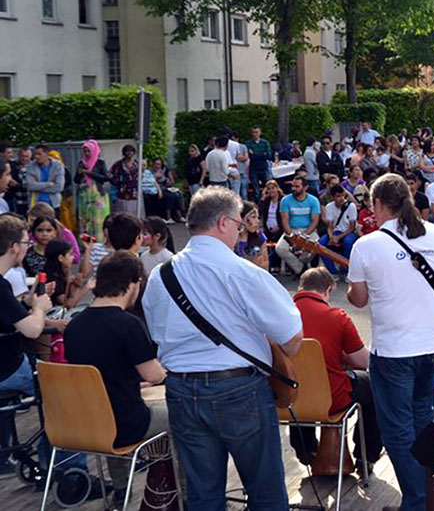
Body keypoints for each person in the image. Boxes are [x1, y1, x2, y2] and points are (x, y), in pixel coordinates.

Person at [143, 186, 304, 510]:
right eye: (238, 224)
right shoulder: (242, 271)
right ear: (222, 223)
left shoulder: (161, 275)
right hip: (239, 388)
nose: (239, 231)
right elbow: (292, 338)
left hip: (181, 388)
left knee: (202, 494)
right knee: (266, 492)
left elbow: (158, 334)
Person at [347, 173, 434, 511]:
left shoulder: (367, 245)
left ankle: (417, 501)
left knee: (397, 431)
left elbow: (357, 300)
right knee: (422, 419)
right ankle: (431, 495)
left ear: (377, 204)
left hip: (393, 353)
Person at [63, 250, 179, 502]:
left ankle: (120, 490)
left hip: (87, 422)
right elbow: (154, 374)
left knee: (114, 409)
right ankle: (186, 496)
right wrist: (165, 369)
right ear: (132, 284)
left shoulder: (74, 326)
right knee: (186, 415)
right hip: (126, 424)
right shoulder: (127, 324)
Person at [289, 267, 382, 470]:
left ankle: (306, 450)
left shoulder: (280, 312)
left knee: (300, 383)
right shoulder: (336, 316)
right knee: (374, 385)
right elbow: (362, 361)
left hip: (288, 400)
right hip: (332, 398)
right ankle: (366, 455)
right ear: (329, 290)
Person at [0, 215, 53, 475]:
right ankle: (61, 465)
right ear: (13, 247)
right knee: (65, 393)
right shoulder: (1, 285)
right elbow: (33, 330)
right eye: (25, 241)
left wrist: (29, 304)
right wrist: (40, 309)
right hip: (8, 369)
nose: (27, 246)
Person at [275, 174, 321, 276]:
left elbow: (314, 221)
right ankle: (300, 269)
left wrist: (304, 236)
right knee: (280, 249)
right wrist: (292, 236)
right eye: (293, 186)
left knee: (317, 245)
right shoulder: (285, 200)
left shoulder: (313, 200)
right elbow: (285, 220)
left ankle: (302, 262)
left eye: (297, 187)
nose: (293, 189)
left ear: (305, 187)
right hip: (291, 230)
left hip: (309, 230)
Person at [74, 139, 111, 239]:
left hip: (97, 195)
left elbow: (106, 177)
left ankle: (99, 242)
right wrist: (80, 173)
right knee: (84, 220)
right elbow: (76, 180)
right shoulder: (81, 163)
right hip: (84, 196)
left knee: (98, 220)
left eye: (88, 151)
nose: (86, 153)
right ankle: (85, 243)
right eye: (85, 151)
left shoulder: (100, 162)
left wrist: (90, 173)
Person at [319, 185, 357, 275]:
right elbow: (330, 226)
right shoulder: (329, 207)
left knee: (348, 242)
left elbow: (351, 227)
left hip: (347, 232)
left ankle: (346, 269)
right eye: (338, 196)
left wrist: (339, 237)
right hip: (336, 231)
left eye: (342, 196)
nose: (341, 198)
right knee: (320, 244)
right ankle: (332, 271)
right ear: (333, 197)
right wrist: (332, 236)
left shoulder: (351, 206)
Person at [25, 144, 65, 217]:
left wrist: (37, 186)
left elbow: (59, 187)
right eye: (35, 154)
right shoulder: (31, 166)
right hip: (36, 205)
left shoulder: (58, 165)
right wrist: (48, 184)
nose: (36, 156)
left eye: (39, 154)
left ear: (46, 154)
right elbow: (29, 185)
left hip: (53, 204)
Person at [236, 201, 269, 271]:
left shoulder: (260, 236)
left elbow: (265, 263)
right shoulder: (232, 239)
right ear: (241, 218)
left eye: (258, 217)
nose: (257, 221)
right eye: (253, 217)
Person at [259, 179, 284, 272]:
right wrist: (262, 197)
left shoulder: (282, 200)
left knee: (277, 244)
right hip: (268, 228)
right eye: (268, 189)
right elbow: (260, 213)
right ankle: (271, 265)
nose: (271, 191)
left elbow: (284, 216)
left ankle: (277, 265)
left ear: (277, 188)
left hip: (280, 227)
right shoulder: (265, 201)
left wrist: (279, 227)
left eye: (272, 188)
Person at [110, 144, 141, 215]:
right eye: (127, 151)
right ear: (124, 152)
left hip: (135, 191)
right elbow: (110, 175)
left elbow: (141, 174)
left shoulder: (136, 164)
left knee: (135, 210)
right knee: (122, 211)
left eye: (131, 151)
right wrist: (117, 183)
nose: (129, 153)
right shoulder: (118, 164)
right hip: (122, 191)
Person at [245, 126, 273, 200]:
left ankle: (268, 200)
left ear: (260, 133)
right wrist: (262, 154)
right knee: (256, 189)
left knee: (267, 185)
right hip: (254, 168)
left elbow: (268, 155)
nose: (254, 134)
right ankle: (258, 202)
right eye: (253, 132)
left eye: (256, 132)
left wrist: (255, 155)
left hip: (263, 167)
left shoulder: (265, 143)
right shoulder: (248, 143)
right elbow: (250, 156)